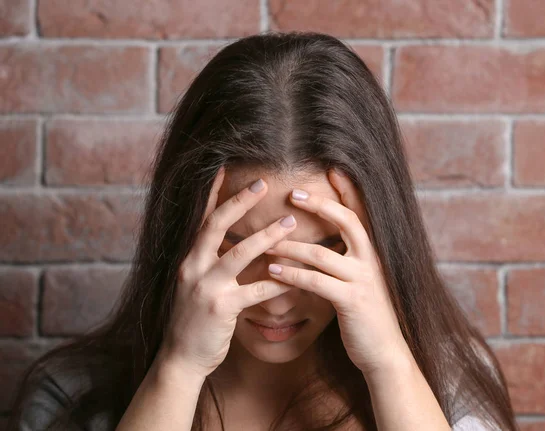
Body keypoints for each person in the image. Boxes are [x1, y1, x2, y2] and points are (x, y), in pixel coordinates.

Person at [7, 31, 518, 431]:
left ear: (380, 238)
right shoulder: (71, 393)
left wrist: (388, 365)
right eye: (236, 247)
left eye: (322, 251)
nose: (276, 299)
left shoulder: (451, 380)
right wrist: (178, 369)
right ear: (182, 232)